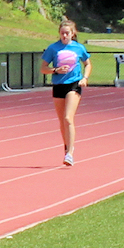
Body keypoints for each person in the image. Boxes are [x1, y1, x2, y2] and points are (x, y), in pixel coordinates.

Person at [40, 20, 90, 166]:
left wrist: (85, 78)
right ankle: (67, 147)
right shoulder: (53, 48)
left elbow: (87, 63)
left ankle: (70, 153)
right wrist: (55, 70)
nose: (64, 35)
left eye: (67, 33)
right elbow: (43, 68)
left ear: (73, 33)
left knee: (68, 118)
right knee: (62, 121)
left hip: (74, 84)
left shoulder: (79, 48)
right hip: (58, 85)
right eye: (62, 33)